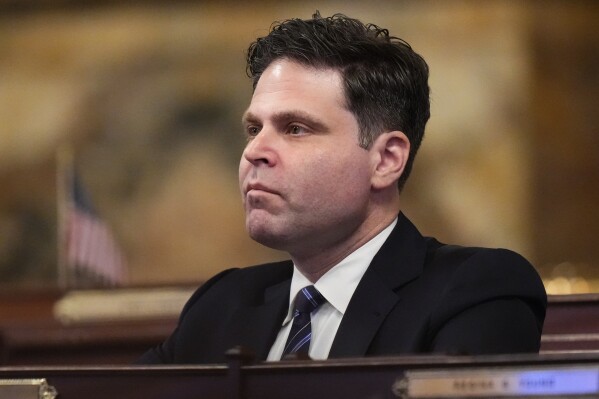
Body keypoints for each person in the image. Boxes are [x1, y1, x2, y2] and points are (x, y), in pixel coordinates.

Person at [139, 12, 546, 364]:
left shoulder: (475, 290)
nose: (253, 152)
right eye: (253, 129)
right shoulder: (221, 305)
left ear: (386, 160)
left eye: (295, 129)